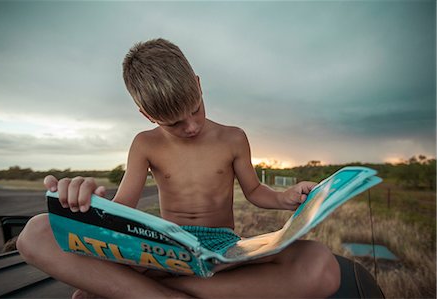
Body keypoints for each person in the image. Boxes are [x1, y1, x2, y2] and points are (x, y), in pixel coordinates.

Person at [17, 38, 340, 298]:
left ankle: (144, 292)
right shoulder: (145, 143)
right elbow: (121, 208)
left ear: (198, 85)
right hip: (158, 253)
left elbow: (254, 191)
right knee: (36, 232)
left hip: (222, 250)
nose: (191, 126)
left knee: (321, 265)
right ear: (148, 116)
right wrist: (83, 204)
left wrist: (286, 198)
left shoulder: (233, 137)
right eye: (173, 123)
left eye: (195, 110)